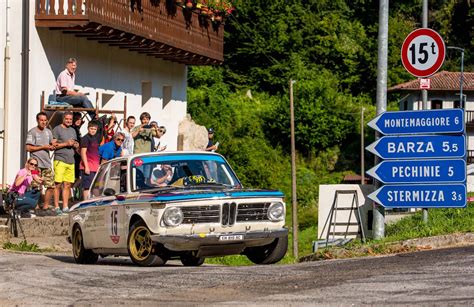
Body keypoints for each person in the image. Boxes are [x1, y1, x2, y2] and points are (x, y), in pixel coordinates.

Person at [25, 112, 56, 216]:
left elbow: (52, 144)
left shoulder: (48, 132)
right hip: (35, 165)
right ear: (37, 120)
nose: (43, 122)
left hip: (47, 163)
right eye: (41, 120)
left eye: (45, 120)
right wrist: (43, 147)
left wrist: (53, 145)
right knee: (35, 186)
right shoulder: (32, 132)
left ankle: (45, 207)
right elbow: (28, 148)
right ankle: (36, 207)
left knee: (51, 186)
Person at [52, 112, 79, 215]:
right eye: (67, 119)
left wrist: (76, 144)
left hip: (70, 160)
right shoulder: (57, 129)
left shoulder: (73, 130)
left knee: (67, 184)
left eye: (70, 119)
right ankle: (56, 206)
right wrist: (66, 144)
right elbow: (53, 145)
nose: (69, 121)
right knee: (58, 184)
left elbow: (76, 143)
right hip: (60, 159)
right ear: (63, 119)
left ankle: (65, 206)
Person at [80, 121, 101, 199]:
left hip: (95, 167)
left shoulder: (95, 138)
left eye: (94, 129)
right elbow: (83, 152)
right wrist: (86, 166)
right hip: (88, 166)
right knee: (87, 187)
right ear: (88, 128)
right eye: (91, 128)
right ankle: (85, 203)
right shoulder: (85, 138)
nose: (93, 130)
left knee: (96, 187)